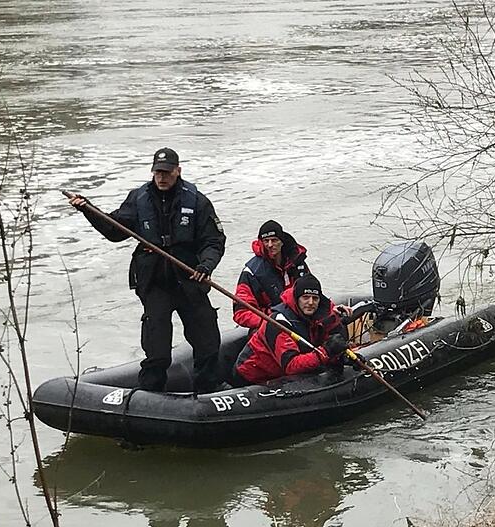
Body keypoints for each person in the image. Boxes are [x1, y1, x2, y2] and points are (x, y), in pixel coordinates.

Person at [69, 147, 226, 393]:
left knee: (207, 342)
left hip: (189, 279)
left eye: (167, 173)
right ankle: (151, 395)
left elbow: (213, 241)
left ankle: (208, 390)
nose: (161, 177)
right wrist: (88, 210)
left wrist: (206, 265)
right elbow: (114, 230)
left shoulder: (197, 201)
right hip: (155, 283)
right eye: (157, 172)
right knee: (157, 350)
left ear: (178, 171)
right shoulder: (138, 199)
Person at [232, 274, 349, 386]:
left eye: (315, 298)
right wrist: (325, 352)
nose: (310, 303)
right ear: (297, 299)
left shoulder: (319, 317)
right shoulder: (278, 323)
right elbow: (291, 365)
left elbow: (329, 343)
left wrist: (340, 356)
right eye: (305, 297)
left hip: (281, 374)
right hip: (252, 378)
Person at [233, 220, 310, 330]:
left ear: (282, 241)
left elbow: (313, 294)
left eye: (274, 240)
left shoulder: (297, 263)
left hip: (300, 321)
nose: (270, 245)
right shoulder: (251, 272)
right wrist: (270, 321)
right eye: (266, 241)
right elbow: (241, 312)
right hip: (270, 325)